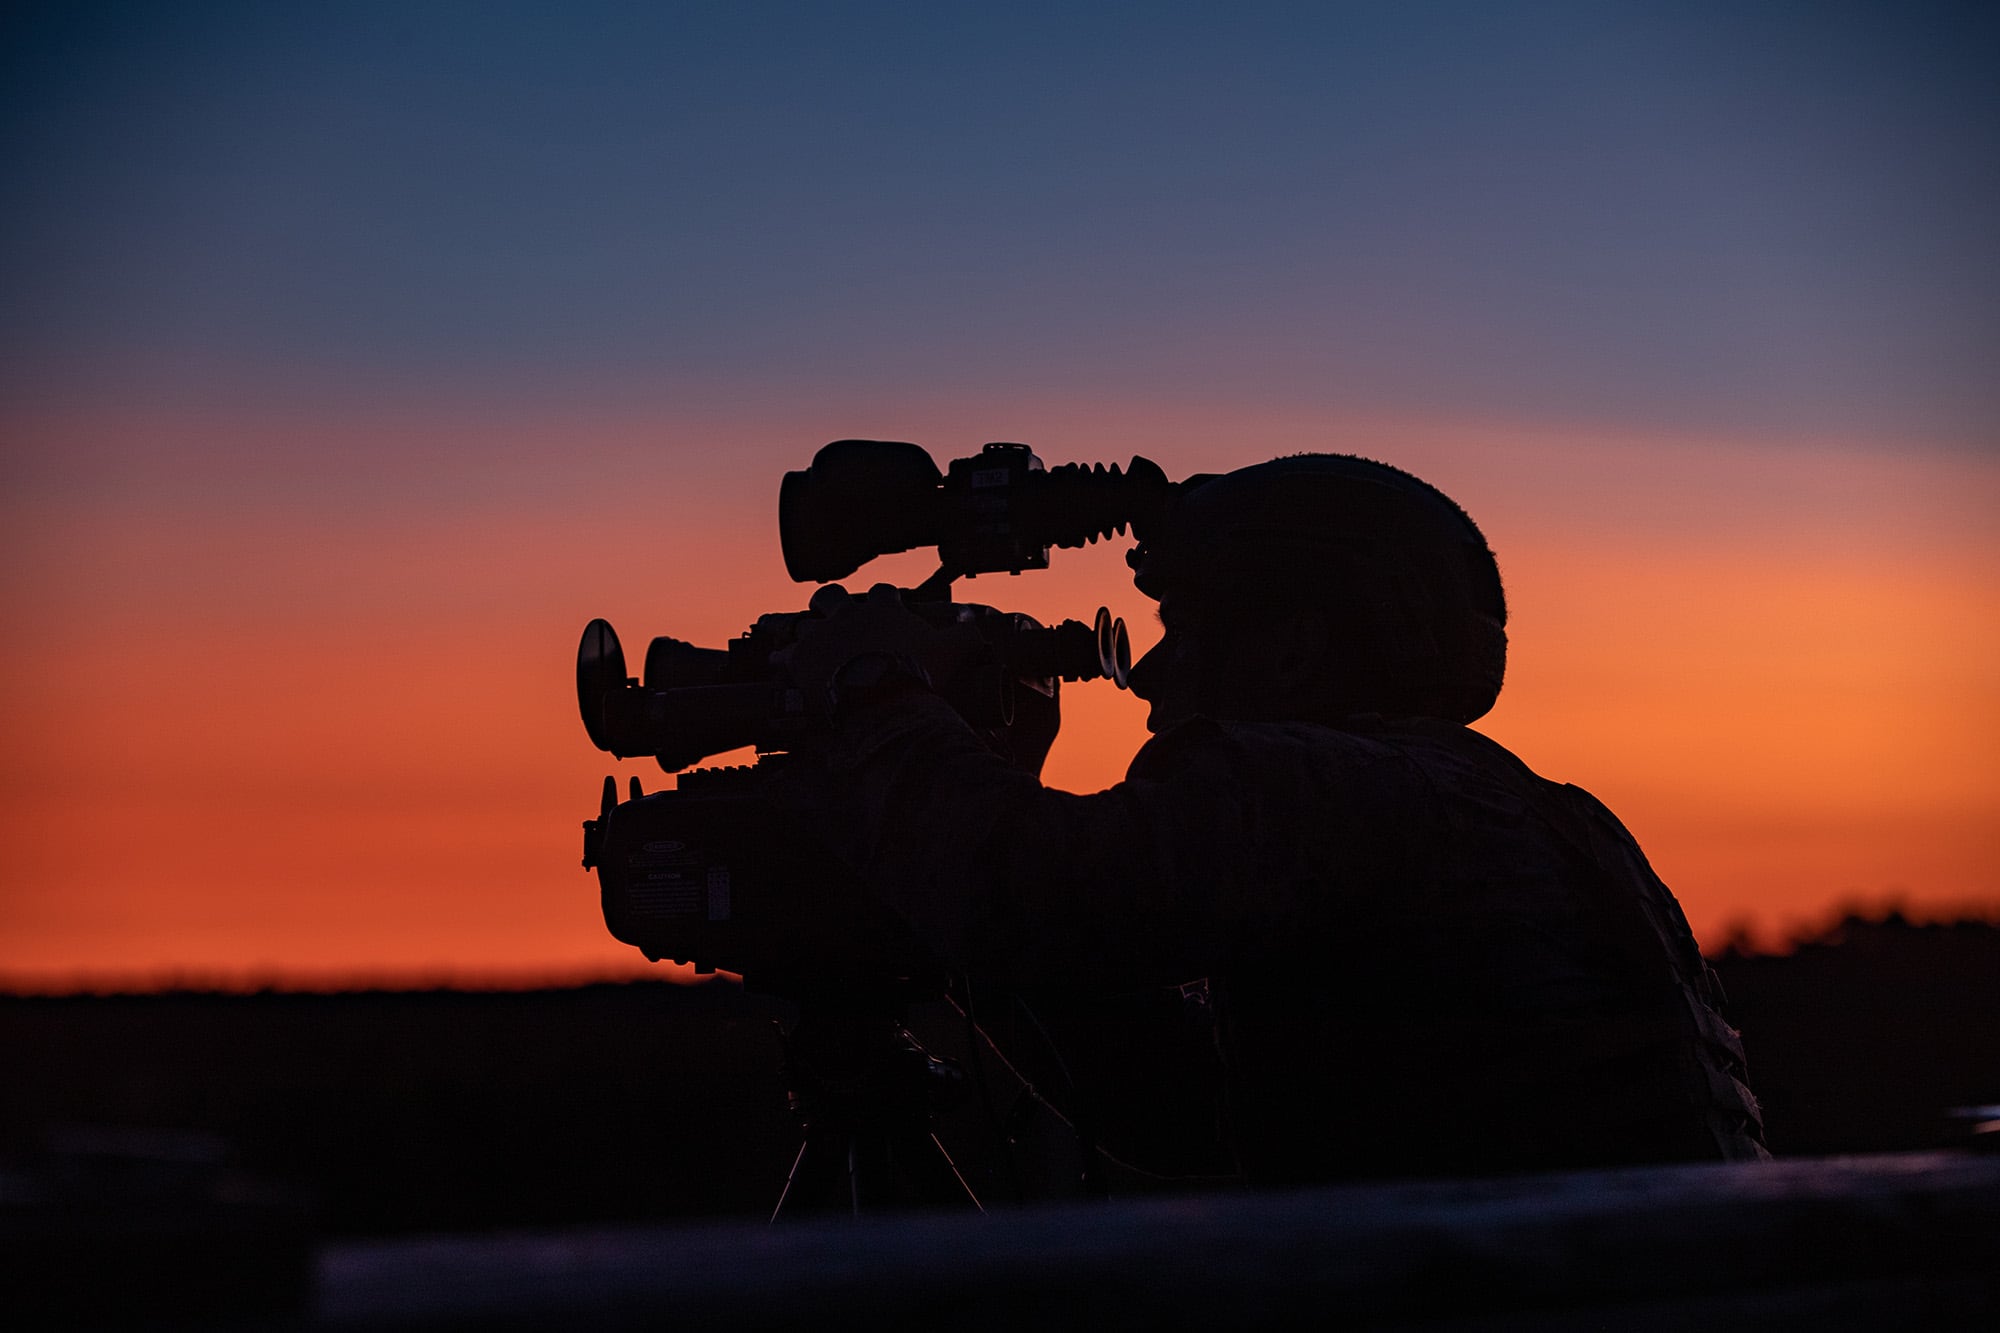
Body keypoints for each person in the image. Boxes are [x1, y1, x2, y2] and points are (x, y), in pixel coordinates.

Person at [782, 453, 1767, 1189]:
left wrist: (872, 688)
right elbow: (1199, 1116)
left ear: (1291, 649)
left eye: (1181, 631)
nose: (1153, 676)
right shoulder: (1529, 815)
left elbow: (1029, 896)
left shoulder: (1318, 783)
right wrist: (991, 777)